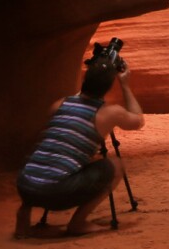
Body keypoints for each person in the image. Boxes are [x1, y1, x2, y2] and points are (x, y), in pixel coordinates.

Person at [14, 57, 144, 238]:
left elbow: (77, 102)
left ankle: (23, 216)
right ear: (108, 86)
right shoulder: (110, 113)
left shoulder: (59, 104)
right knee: (115, 166)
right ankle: (78, 223)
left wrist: (95, 73)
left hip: (24, 185)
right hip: (55, 192)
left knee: (47, 156)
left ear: (85, 80)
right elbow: (138, 120)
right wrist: (125, 85)